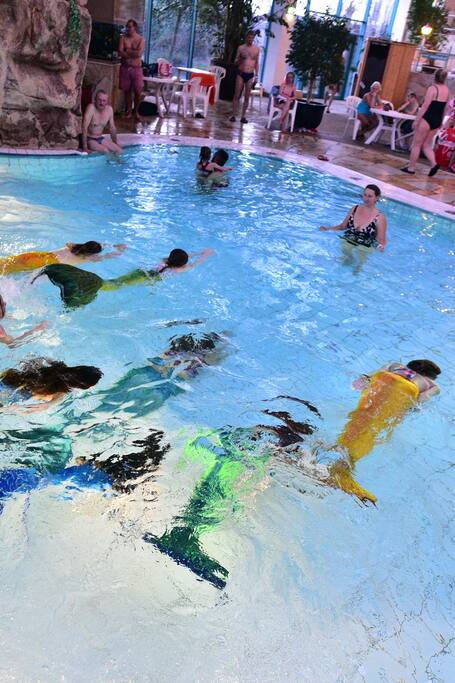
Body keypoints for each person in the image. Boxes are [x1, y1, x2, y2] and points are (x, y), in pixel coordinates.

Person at [328, 359, 441, 505]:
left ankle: (338, 452)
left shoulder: (396, 365)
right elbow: (420, 399)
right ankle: (342, 470)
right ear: (431, 376)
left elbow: (366, 378)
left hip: (383, 378)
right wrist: (405, 409)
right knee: (375, 429)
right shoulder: (433, 385)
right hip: (408, 389)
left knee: (361, 419)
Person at [31, 248, 215, 308]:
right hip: (142, 279)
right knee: (112, 285)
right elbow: (193, 264)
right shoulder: (177, 270)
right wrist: (205, 255)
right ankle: (82, 286)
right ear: (181, 264)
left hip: (138, 273)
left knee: (116, 281)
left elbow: (180, 258)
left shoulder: (163, 260)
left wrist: (195, 252)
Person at [0, 358, 102, 414]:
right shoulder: (57, 392)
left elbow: (29, 361)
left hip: (8, 376)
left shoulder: (55, 364)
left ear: (77, 368)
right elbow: (25, 410)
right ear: (79, 386)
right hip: (12, 395)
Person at [401, 69, 450, 177]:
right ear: (445, 78)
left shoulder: (432, 88)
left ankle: (411, 168)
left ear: (435, 76)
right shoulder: (447, 90)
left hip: (427, 119)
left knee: (416, 144)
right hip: (437, 119)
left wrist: (416, 120)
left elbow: (425, 106)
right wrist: (441, 122)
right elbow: (445, 108)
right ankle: (434, 164)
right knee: (427, 145)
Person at [319, 184, 387, 251]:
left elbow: (381, 240)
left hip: (364, 247)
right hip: (347, 240)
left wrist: (381, 247)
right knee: (345, 254)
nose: (366, 198)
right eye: (365, 195)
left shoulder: (380, 217)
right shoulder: (355, 209)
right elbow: (342, 226)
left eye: (370, 196)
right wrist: (327, 228)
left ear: (377, 198)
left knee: (360, 252)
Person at [0, 241, 126, 276]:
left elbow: (97, 244)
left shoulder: (73, 246)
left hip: (38, 255)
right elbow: (108, 256)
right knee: (8, 271)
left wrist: (111, 244)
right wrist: (119, 249)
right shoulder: (87, 258)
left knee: (7, 262)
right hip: (46, 263)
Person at [229, 30, 260, 124]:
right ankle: (233, 115)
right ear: (246, 38)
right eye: (249, 37)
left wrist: (257, 75)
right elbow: (235, 62)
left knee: (247, 96)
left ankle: (243, 116)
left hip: (250, 74)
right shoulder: (241, 48)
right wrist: (241, 58)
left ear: (253, 38)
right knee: (237, 94)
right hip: (241, 73)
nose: (250, 39)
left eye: (252, 38)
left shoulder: (256, 49)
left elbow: (256, 63)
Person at [118, 19, 145, 120]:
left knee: (138, 91)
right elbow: (120, 51)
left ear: (135, 27)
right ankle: (129, 111)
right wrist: (133, 52)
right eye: (127, 26)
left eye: (130, 27)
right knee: (127, 91)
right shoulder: (123, 38)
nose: (128, 29)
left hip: (136, 68)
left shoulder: (140, 39)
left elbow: (139, 54)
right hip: (125, 68)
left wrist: (127, 50)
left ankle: (136, 111)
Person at [82, 90, 123, 154]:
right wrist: (85, 147)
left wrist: (115, 143)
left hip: (100, 138)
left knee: (119, 150)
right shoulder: (91, 108)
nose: (101, 103)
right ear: (95, 100)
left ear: (107, 101)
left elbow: (112, 128)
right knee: (105, 151)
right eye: (99, 100)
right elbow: (84, 127)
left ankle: (118, 160)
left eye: (104, 101)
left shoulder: (109, 110)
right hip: (90, 139)